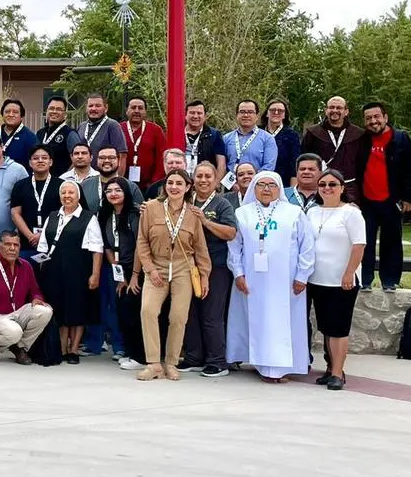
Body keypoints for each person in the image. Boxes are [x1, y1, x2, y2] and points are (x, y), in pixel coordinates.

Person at [227, 171, 316, 382]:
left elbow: (307, 247)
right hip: (251, 280)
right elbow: (234, 247)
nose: (266, 189)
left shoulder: (294, 213)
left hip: (286, 282)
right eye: (261, 185)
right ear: (253, 188)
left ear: (279, 188)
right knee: (257, 320)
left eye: (272, 185)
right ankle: (262, 365)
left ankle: (281, 367)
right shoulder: (242, 213)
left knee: (282, 322)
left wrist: (302, 276)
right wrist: (238, 273)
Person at [135, 169, 211, 381]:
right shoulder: (150, 208)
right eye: (170, 183)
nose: (174, 187)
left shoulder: (193, 214)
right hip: (156, 266)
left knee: (178, 316)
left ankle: (171, 362)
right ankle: (153, 364)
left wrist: (204, 275)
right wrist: (149, 269)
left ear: (188, 188)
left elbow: (200, 248)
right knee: (148, 311)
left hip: (182, 268)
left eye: (179, 183)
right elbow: (142, 242)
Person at [356, 101, 411, 292]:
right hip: (367, 202)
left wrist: (410, 198)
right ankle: (365, 280)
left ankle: (390, 281)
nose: (373, 121)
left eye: (376, 116)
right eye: (368, 118)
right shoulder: (362, 141)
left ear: (385, 117)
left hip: (392, 201)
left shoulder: (401, 139)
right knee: (364, 242)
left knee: (392, 242)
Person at [307, 170, 366, 391]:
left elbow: (359, 245)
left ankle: (338, 373)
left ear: (342, 188)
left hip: (342, 281)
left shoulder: (351, 213)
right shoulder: (312, 212)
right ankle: (331, 369)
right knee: (326, 328)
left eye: (333, 184)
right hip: (317, 279)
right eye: (322, 184)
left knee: (338, 329)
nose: (327, 188)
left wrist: (349, 273)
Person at [33, 180, 104, 365]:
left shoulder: (89, 218)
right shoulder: (53, 216)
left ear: (78, 196)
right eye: (63, 192)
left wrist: (95, 274)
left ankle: (73, 350)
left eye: (71, 192)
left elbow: (97, 248)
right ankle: (62, 347)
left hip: (78, 270)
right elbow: (43, 247)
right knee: (59, 309)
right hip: (54, 271)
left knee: (77, 309)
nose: (67, 196)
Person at [178, 162, 237, 378]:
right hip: (187, 266)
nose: (203, 180)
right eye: (199, 176)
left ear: (215, 181)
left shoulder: (222, 205)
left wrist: (205, 221)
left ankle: (217, 361)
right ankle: (194, 357)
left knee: (212, 315)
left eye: (208, 177)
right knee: (190, 313)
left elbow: (231, 233)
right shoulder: (185, 202)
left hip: (215, 266)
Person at [0, 230, 53, 365]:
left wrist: (37, 297)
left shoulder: (25, 266)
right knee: (14, 331)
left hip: (16, 314)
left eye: (16, 245)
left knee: (45, 311)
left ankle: (18, 347)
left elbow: (35, 290)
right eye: (8, 244)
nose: (12, 249)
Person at [97, 178, 146, 371]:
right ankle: (129, 351)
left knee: (134, 313)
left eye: (118, 190)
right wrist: (120, 275)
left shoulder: (135, 215)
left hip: (138, 268)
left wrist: (134, 275)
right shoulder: (106, 215)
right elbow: (108, 246)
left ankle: (140, 356)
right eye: (109, 191)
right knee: (122, 312)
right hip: (119, 269)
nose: (113, 194)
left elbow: (140, 246)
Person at [301, 96, 367, 202]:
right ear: (326, 111)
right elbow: (304, 161)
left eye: (339, 108)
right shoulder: (313, 133)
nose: (335, 110)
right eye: (331, 107)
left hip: (349, 188)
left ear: (346, 111)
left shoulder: (358, 134)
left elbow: (363, 164)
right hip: (322, 187)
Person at [11, 147, 62, 259]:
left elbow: (65, 215)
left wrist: (44, 235)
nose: (40, 161)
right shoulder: (20, 185)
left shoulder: (61, 185)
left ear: (51, 162)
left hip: (54, 242)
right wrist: (31, 236)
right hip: (28, 242)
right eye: (35, 158)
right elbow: (15, 214)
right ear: (30, 162)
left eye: (44, 158)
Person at [223, 99, 278, 178]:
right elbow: (222, 165)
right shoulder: (226, 139)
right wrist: (233, 184)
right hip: (231, 187)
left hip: (257, 186)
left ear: (257, 116)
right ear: (236, 115)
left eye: (250, 112)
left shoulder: (268, 139)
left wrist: (251, 182)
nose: (246, 115)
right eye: (242, 112)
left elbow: (269, 166)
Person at [122, 96, 166, 190]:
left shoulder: (155, 130)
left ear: (145, 111)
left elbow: (162, 158)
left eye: (140, 108)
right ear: (127, 111)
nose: (137, 111)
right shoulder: (118, 129)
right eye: (133, 108)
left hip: (149, 185)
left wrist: (154, 183)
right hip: (122, 184)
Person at [78, 93, 128, 173]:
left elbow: (122, 155)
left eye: (98, 106)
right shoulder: (82, 126)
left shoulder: (113, 126)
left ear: (106, 108)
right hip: (82, 176)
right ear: (86, 108)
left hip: (105, 178)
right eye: (90, 106)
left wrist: (117, 181)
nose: (93, 109)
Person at [36, 95, 84, 175]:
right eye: (51, 108)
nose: (54, 111)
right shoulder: (40, 133)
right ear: (46, 111)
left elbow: (78, 159)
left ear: (65, 114)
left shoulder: (70, 134)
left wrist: (66, 177)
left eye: (58, 109)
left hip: (61, 183)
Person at [184, 99, 228, 181]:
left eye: (199, 113)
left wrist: (216, 184)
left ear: (205, 116)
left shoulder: (214, 135)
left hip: (205, 182)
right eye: (192, 113)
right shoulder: (177, 133)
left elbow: (221, 164)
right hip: (182, 183)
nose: (195, 116)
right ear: (185, 115)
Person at [265, 99, 302, 186]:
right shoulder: (258, 132)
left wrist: (292, 191)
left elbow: (294, 165)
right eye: (273, 110)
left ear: (285, 115)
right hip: (259, 181)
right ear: (267, 113)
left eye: (280, 111)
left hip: (282, 183)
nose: (276, 112)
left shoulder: (292, 135)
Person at [0, 98, 39, 171]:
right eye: (7, 112)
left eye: (15, 112)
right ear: (2, 114)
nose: (11, 115)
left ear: (22, 116)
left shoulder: (30, 138)